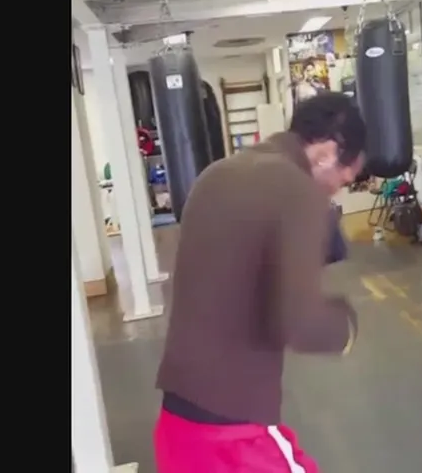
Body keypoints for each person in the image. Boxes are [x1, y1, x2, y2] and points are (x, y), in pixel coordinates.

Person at [154, 92, 367, 473]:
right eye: (345, 173)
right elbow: (299, 324)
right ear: (327, 151)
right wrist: (345, 324)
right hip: (232, 436)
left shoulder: (214, 174)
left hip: (177, 426)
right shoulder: (298, 191)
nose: (342, 183)